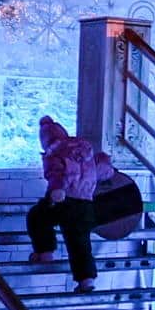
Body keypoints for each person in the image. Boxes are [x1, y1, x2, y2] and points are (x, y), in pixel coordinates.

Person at [28, 115, 114, 294]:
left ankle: (45, 252)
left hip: (64, 202)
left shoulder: (54, 152)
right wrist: (109, 170)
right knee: (80, 244)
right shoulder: (85, 150)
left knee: (36, 216)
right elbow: (102, 168)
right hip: (86, 206)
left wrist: (56, 190)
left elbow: (56, 173)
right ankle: (86, 281)